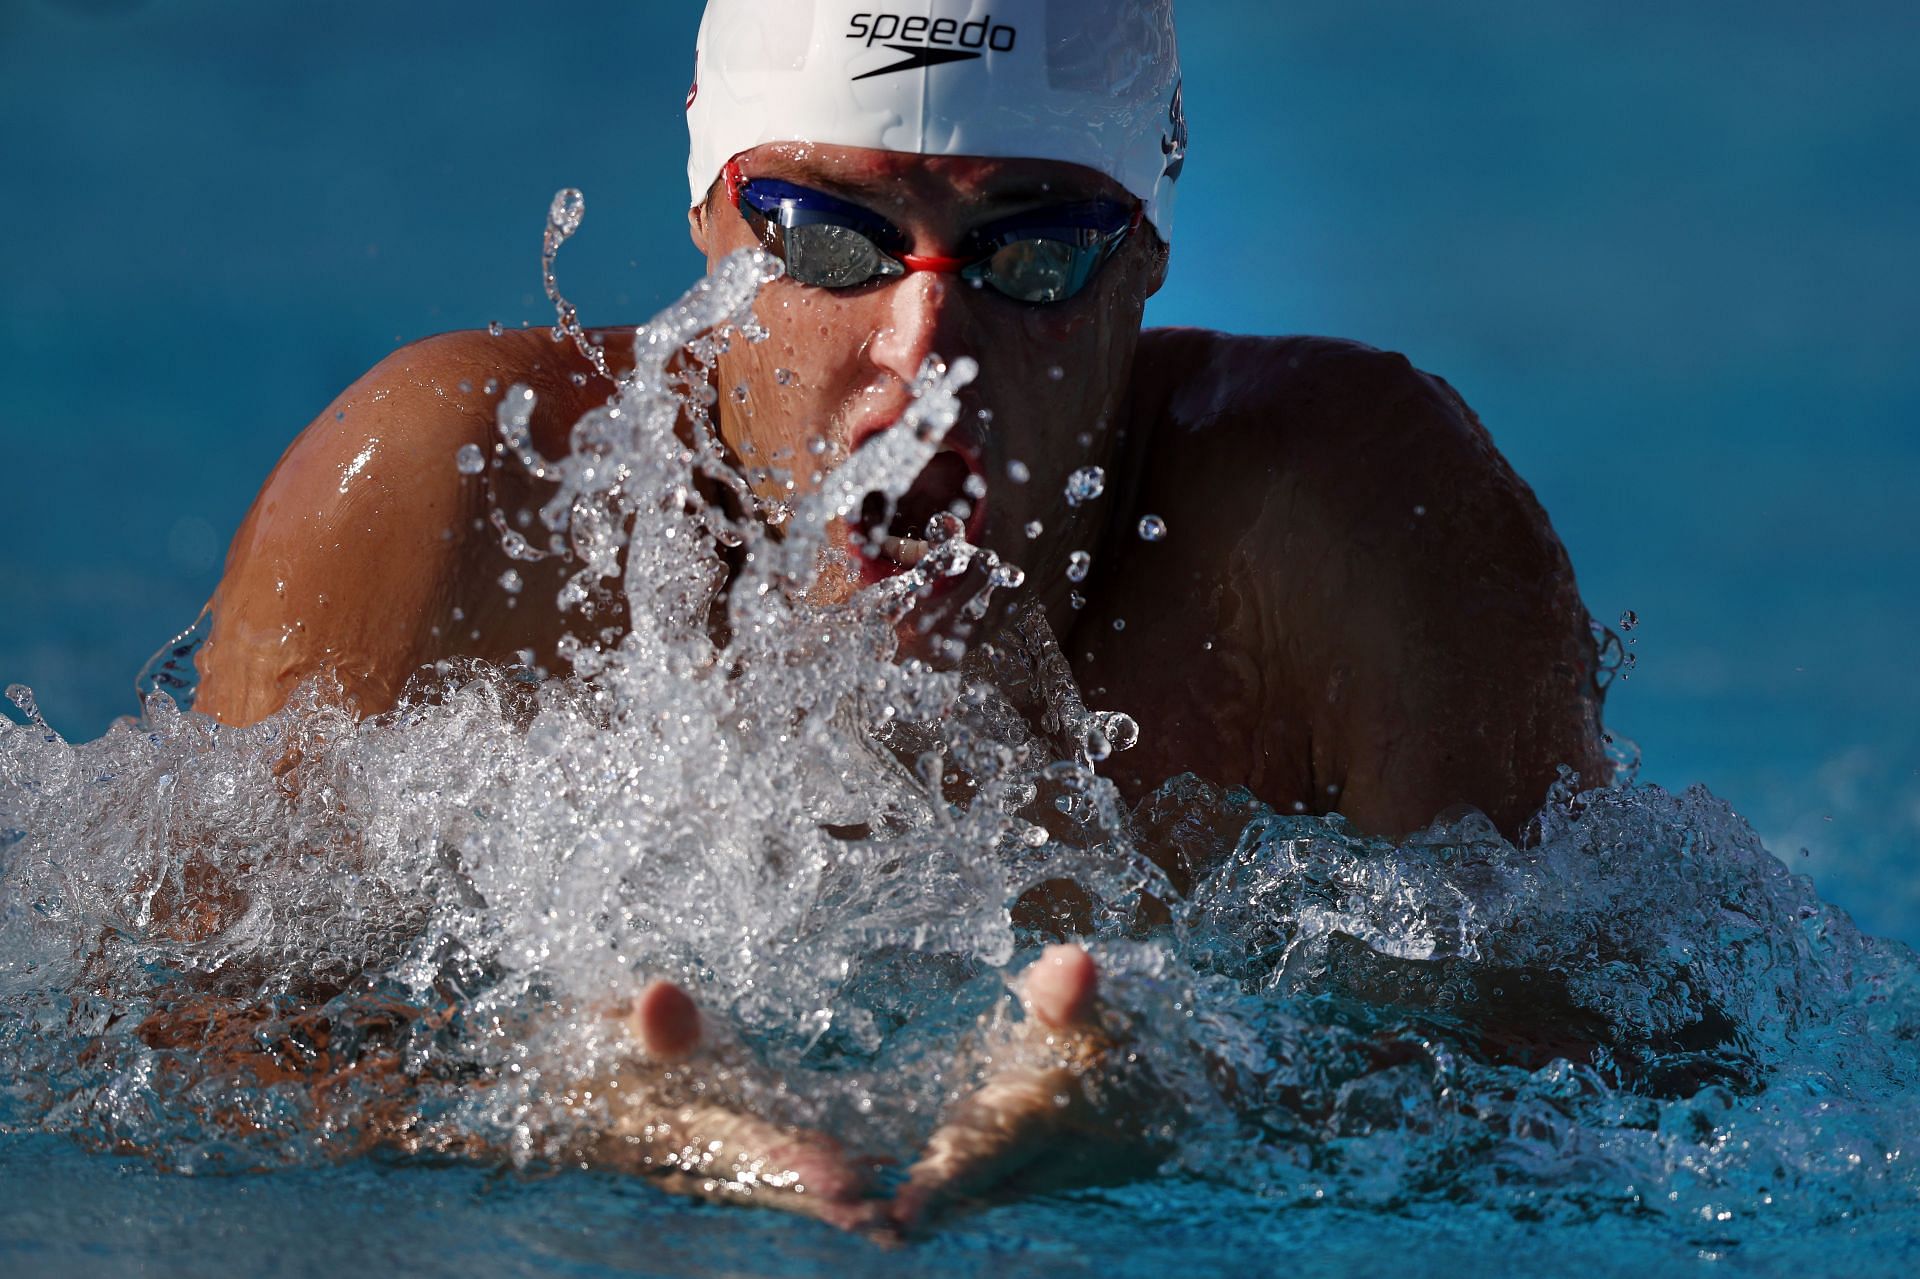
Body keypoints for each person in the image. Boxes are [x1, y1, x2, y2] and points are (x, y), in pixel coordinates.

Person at [183, 0, 1607, 1232]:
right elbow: (172, 1043)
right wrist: (539, 1110)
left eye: (1033, 250)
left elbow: (1615, 1081)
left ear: (1149, 251)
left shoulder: (1354, 525)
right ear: (711, 214)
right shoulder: (461, 493)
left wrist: (1205, 1111)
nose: (924, 348)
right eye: (828, 239)